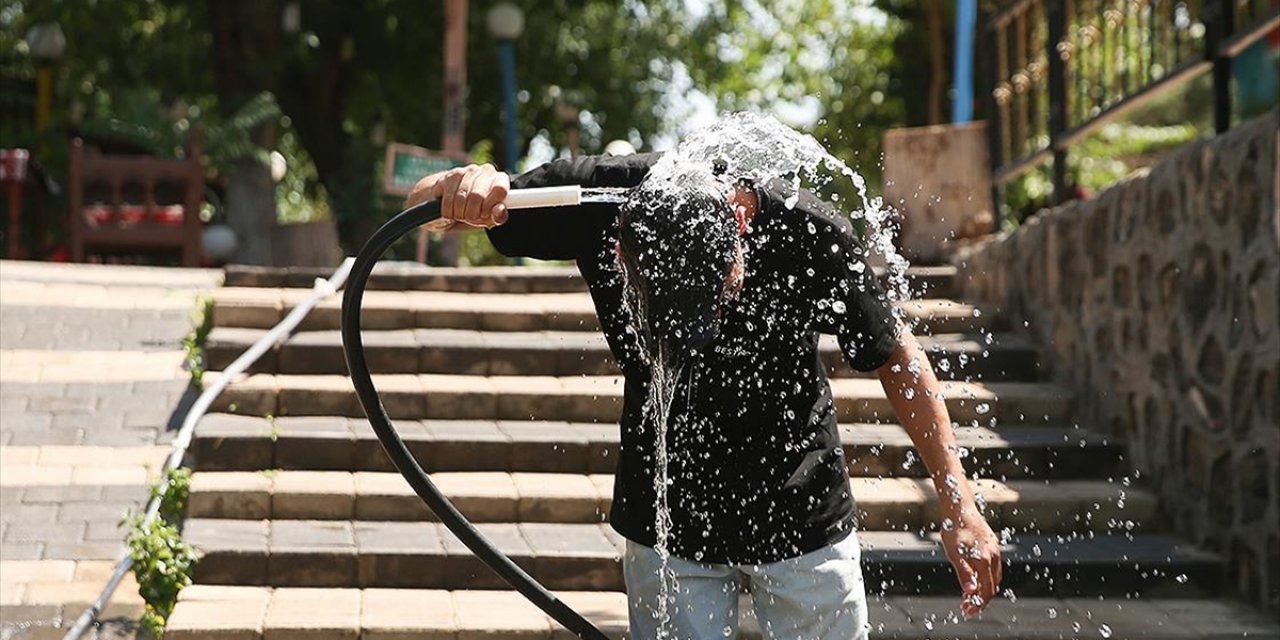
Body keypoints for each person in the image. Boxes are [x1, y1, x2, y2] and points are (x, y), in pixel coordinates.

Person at [408, 156, 1003, 639]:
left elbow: (898, 359)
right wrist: (463, 185)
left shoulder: (808, 228)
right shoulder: (596, 201)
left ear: (741, 236)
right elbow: (419, 206)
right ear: (620, 247)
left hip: (800, 512)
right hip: (668, 519)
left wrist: (960, 506)